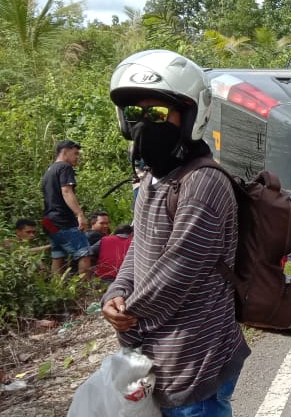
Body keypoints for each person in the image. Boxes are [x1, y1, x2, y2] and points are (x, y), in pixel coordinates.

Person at [101, 49, 249, 414]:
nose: (144, 123)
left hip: (196, 361)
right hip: (161, 357)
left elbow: (178, 270)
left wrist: (128, 318)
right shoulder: (155, 179)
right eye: (135, 113)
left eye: (158, 114)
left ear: (190, 116)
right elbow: (140, 246)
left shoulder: (203, 182)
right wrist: (116, 293)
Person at [41, 140, 93, 278]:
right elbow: (67, 191)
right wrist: (80, 215)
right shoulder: (65, 167)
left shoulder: (49, 170)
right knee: (84, 254)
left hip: (49, 221)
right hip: (63, 221)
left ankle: (57, 289)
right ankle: (85, 291)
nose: (77, 157)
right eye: (75, 153)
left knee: (58, 256)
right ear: (65, 152)